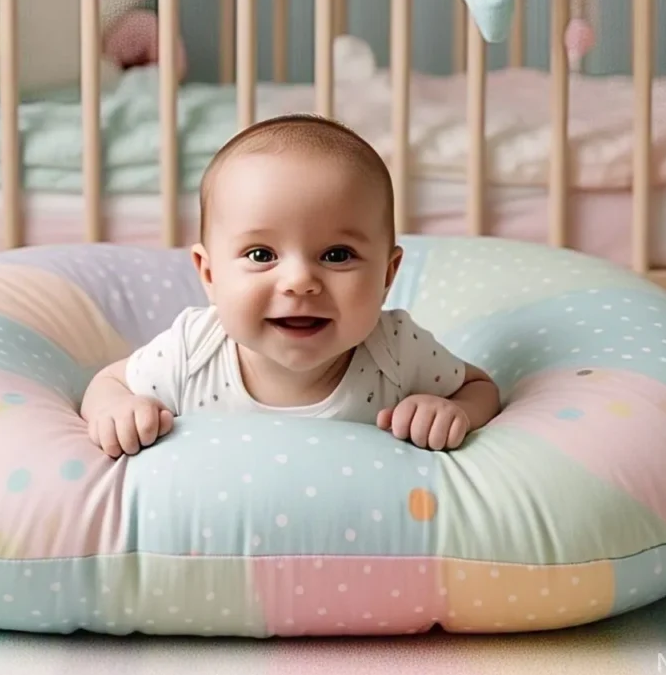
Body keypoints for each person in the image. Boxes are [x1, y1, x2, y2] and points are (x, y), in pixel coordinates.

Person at [80, 113, 501, 459]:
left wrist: (451, 410)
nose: (300, 282)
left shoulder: (395, 350)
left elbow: (478, 387)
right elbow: (109, 384)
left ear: (387, 276)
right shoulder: (192, 352)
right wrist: (117, 409)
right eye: (261, 255)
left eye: (337, 255)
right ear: (209, 275)